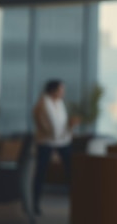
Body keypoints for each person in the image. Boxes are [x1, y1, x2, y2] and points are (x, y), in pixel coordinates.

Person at [32, 79, 79, 215]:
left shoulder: (58, 102)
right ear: (53, 91)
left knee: (71, 169)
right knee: (41, 173)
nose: (63, 92)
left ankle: (76, 201)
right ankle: (34, 203)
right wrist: (70, 126)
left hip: (62, 141)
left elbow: (61, 125)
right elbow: (53, 130)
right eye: (61, 89)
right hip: (46, 142)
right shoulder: (43, 105)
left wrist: (69, 126)